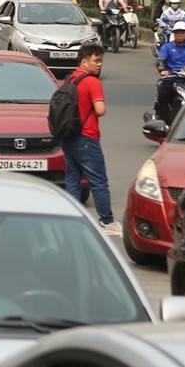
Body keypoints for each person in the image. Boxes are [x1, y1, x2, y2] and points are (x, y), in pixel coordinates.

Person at [58, 43, 121, 235]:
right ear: (84, 61)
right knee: (98, 181)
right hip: (87, 138)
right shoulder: (92, 82)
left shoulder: (69, 79)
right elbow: (100, 110)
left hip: (68, 137)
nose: (99, 64)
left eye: (101, 61)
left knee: (72, 178)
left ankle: (70, 217)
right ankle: (107, 221)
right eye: (96, 60)